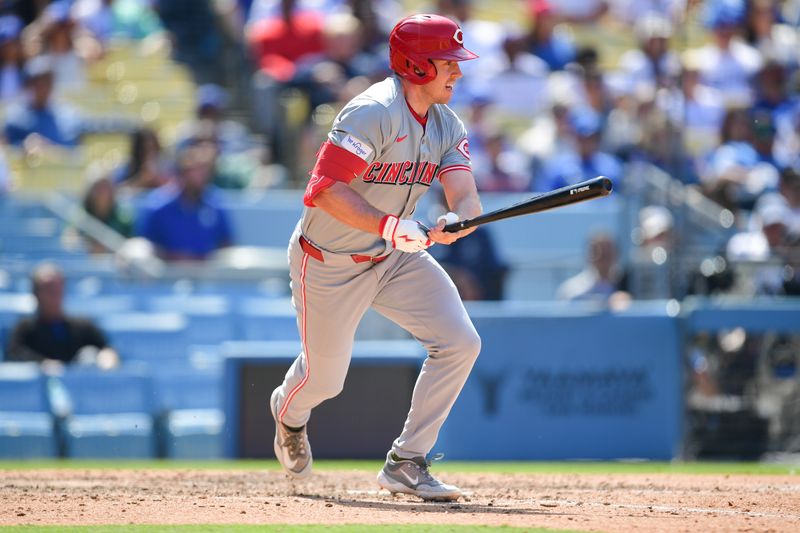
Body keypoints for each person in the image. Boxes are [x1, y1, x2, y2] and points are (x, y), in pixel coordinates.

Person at [269, 14, 482, 502]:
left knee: (460, 342)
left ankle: (407, 462)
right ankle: (288, 414)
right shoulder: (371, 111)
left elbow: (465, 197)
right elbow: (323, 190)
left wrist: (460, 219)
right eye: (448, 62)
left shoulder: (446, 122)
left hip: (393, 256)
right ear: (416, 64)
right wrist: (389, 225)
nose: (458, 72)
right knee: (324, 381)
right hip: (329, 260)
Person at [6, 263, 119, 371]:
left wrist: (107, 356)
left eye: (58, 287)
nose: (54, 293)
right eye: (48, 288)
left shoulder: (83, 327)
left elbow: (105, 348)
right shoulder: (25, 329)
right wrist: (43, 364)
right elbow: (14, 354)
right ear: (35, 293)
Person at [138, 143, 234, 261]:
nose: (201, 177)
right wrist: (171, 257)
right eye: (196, 171)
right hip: (166, 275)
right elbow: (146, 245)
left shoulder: (216, 205)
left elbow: (226, 243)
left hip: (207, 275)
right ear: (183, 173)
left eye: (204, 171)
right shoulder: (159, 206)